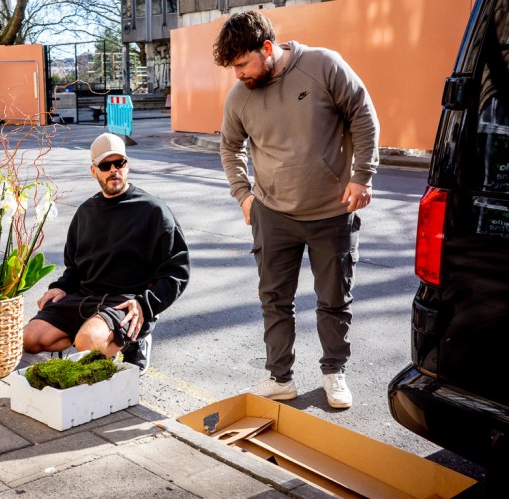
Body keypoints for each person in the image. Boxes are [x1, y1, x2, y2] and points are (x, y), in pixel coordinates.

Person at [213, 11, 379, 408]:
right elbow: (229, 147)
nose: (237, 74)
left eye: (241, 63)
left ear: (267, 49)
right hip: (272, 214)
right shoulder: (240, 97)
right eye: (232, 67)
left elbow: (363, 114)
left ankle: (334, 373)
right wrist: (243, 194)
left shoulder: (323, 65)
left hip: (331, 211)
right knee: (274, 300)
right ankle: (279, 377)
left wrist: (363, 175)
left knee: (335, 299)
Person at [22, 132, 190, 375]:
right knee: (30, 338)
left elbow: (177, 272)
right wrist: (62, 287)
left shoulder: (153, 210)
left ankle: (133, 339)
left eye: (119, 163)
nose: (114, 170)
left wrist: (145, 304)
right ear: (94, 171)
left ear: (127, 166)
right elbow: (75, 267)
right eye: (105, 165)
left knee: (87, 344)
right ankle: (92, 336)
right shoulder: (85, 212)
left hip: (126, 300)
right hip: (85, 296)